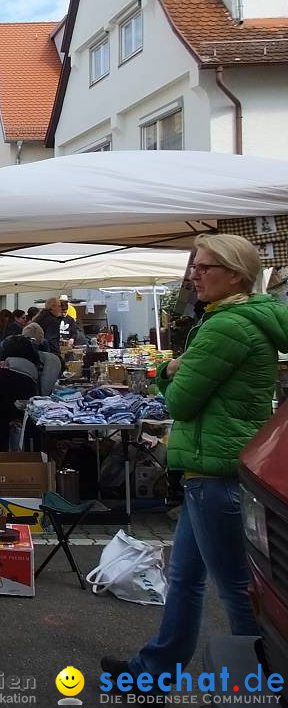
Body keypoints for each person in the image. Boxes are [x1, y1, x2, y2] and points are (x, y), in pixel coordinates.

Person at [102, 234, 288, 688]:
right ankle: (154, 672)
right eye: (195, 267)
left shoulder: (226, 326)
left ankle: (259, 686)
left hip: (216, 469)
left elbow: (182, 403)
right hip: (216, 466)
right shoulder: (245, 320)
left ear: (237, 276)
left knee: (238, 591)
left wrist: (166, 374)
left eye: (205, 268)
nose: (194, 276)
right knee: (185, 577)